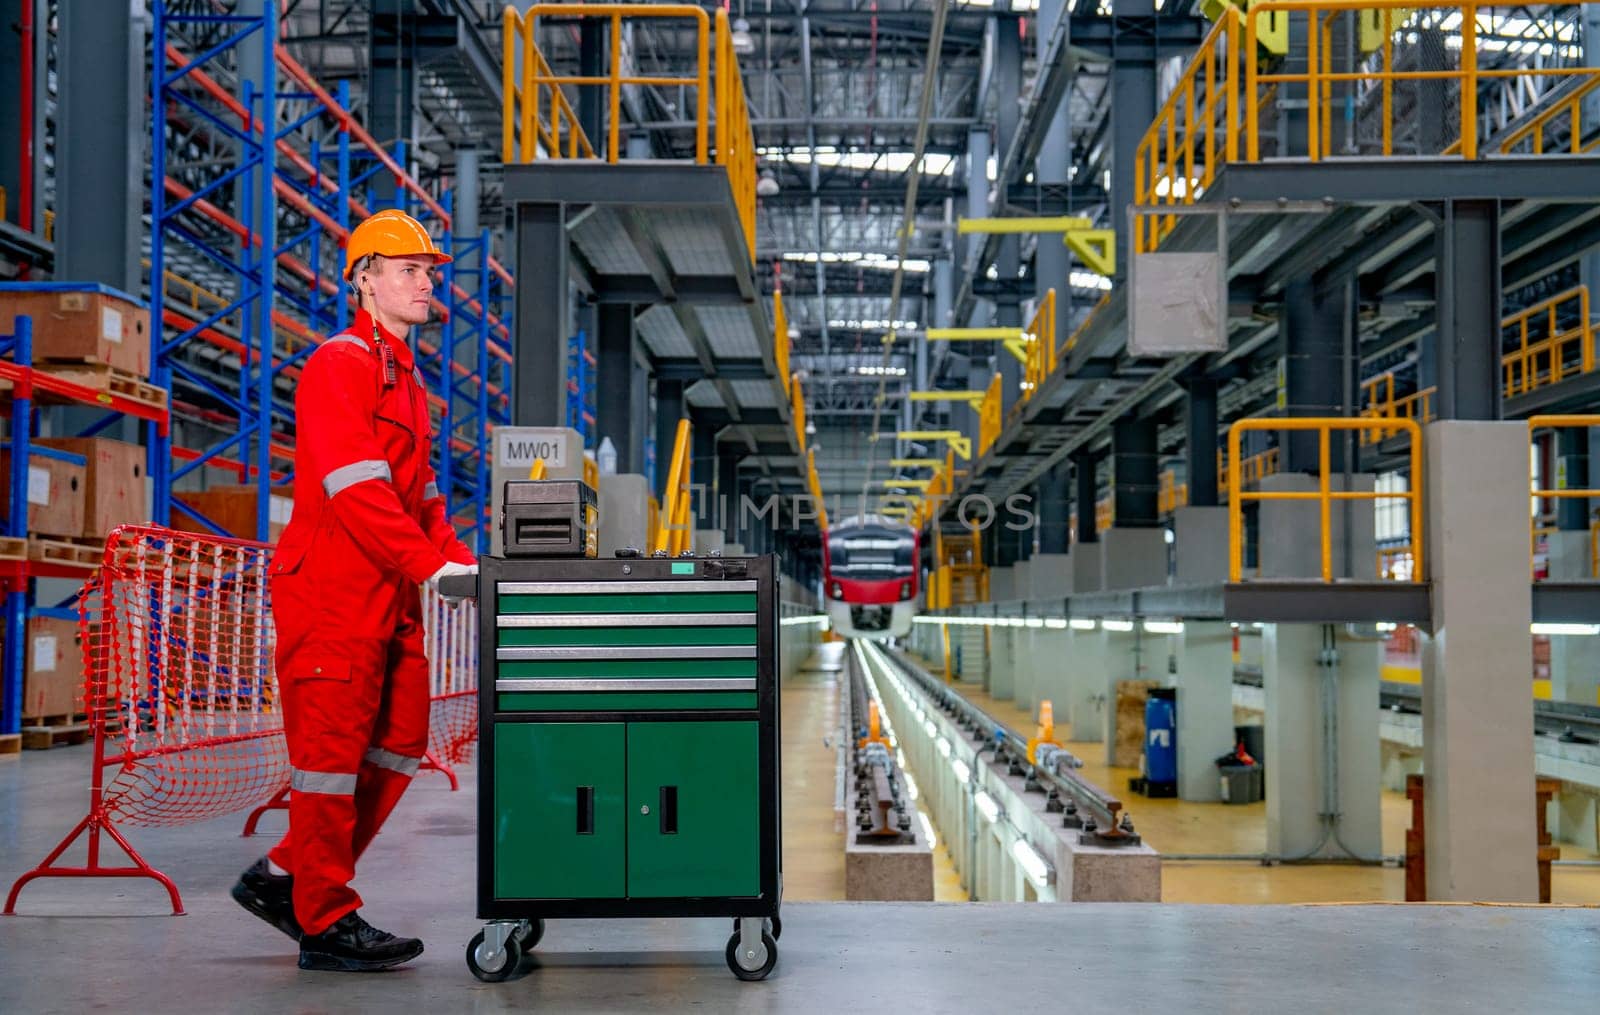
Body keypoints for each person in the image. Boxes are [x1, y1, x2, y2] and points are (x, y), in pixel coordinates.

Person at [231, 208, 477, 972]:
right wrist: (427, 565)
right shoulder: (340, 364)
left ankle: (284, 876)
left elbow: (420, 496)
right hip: (333, 593)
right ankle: (325, 918)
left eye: (429, 270)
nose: (424, 281)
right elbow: (357, 489)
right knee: (329, 762)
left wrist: (463, 562)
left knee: (402, 742)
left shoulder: (407, 380)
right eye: (408, 269)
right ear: (364, 279)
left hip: (388, 595)